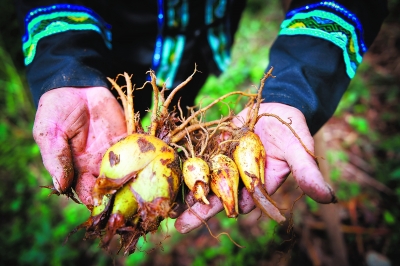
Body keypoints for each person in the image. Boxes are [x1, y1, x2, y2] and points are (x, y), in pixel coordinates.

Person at [16, 0, 388, 233]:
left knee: (179, 103)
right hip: (104, 49)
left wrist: (293, 91)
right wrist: (66, 64)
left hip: (197, 45)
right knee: (124, 108)